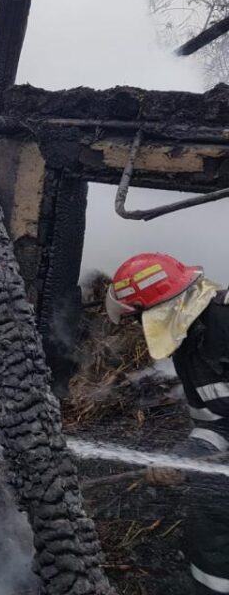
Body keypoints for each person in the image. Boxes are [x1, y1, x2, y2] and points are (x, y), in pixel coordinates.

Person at [106, 252, 229, 595]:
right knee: (213, 500)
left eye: (135, 320)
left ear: (155, 310)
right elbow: (214, 423)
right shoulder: (189, 349)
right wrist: (183, 458)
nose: (135, 330)